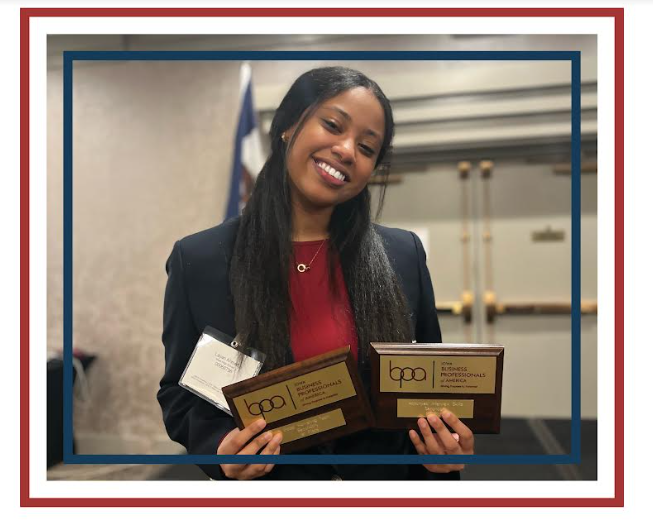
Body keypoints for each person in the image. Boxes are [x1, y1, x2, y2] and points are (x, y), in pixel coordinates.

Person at [158, 66, 474, 481]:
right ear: (290, 125)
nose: (346, 150)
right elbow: (180, 395)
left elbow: (426, 395)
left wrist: (442, 454)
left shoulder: (403, 254)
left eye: (367, 147)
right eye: (332, 125)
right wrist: (220, 450)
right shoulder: (199, 259)